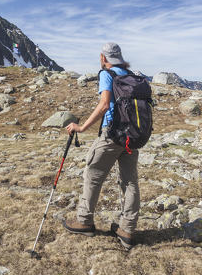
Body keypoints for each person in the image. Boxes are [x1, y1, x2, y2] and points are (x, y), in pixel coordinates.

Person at [62, 42, 140, 250]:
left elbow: (105, 104)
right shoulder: (130, 76)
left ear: (103, 58)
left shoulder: (108, 74)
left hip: (112, 135)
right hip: (132, 136)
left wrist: (82, 127)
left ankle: (84, 221)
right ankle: (127, 230)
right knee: (130, 181)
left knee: (93, 174)